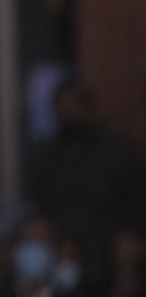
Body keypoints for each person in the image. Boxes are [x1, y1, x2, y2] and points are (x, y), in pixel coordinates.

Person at [31, 80, 146, 296]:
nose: (67, 113)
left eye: (73, 107)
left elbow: (137, 209)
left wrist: (129, 264)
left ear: (88, 108)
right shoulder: (50, 157)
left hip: (109, 261)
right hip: (61, 261)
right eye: (61, 108)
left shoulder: (117, 152)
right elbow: (40, 209)